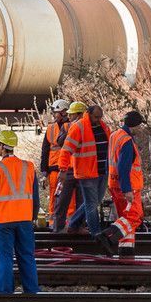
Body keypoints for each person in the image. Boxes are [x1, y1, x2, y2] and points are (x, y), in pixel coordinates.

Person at [0, 129, 41, 294]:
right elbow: (35, 197)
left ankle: (5, 293)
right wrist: (33, 217)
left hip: (4, 221)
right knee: (27, 256)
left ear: (1, 146)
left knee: (5, 257)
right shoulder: (29, 166)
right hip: (25, 220)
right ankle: (32, 291)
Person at [60, 102, 111, 238]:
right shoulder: (79, 127)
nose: (98, 120)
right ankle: (96, 233)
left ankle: (73, 224)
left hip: (101, 171)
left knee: (94, 201)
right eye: (96, 117)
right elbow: (66, 150)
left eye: (100, 117)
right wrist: (63, 169)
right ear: (88, 114)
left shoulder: (103, 126)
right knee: (91, 204)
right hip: (87, 173)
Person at [99, 111, 146, 256]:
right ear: (135, 126)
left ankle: (126, 249)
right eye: (139, 126)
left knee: (125, 218)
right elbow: (123, 167)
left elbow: (109, 161)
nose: (140, 128)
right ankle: (106, 236)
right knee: (135, 216)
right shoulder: (126, 141)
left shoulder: (115, 135)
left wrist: (109, 181)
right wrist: (127, 190)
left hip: (114, 183)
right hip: (128, 186)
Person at [51, 103, 86, 232]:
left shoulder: (88, 128)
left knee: (82, 201)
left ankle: (79, 227)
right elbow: (60, 142)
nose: (69, 116)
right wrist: (73, 130)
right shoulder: (67, 126)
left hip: (82, 170)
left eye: (72, 114)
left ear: (80, 114)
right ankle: (58, 228)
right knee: (62, 200)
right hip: (68, 170)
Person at [40, 99, 73, 228]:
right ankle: (54, 223)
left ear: (64, 112)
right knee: (54, 196)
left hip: (69, 169)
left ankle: (69, 223)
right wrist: (44, 171)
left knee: (71, 199)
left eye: (56, 112)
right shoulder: (51, 128)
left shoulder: (73, 126)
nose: (54, 115)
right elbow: (45, 150)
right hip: (54, 169)